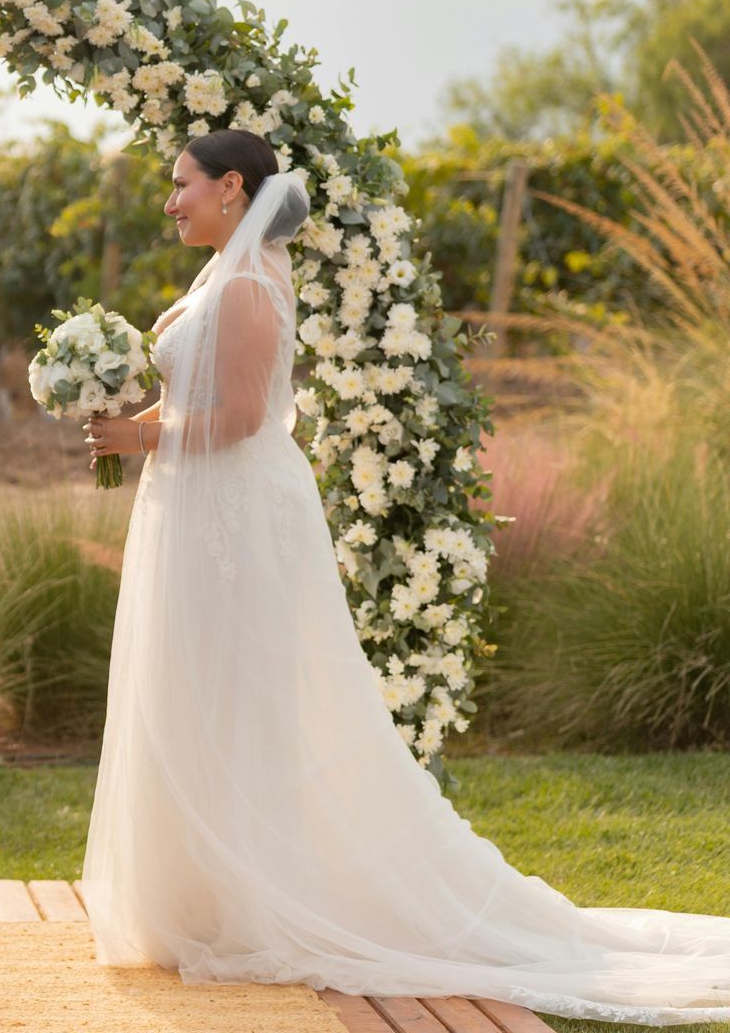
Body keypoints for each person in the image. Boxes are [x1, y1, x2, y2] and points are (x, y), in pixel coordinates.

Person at [80, 128, 730, 1023]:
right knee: (196, 692)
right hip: (196, 511)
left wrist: (137, 438)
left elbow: (235, 420)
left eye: (181, 184)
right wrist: (128, 414)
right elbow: (198, 395)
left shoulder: (242, 285)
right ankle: (204, 895)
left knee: (240, 696)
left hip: (232, 512)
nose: (169, 200)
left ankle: (253, 898)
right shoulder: (223, 276)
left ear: (232, 187)